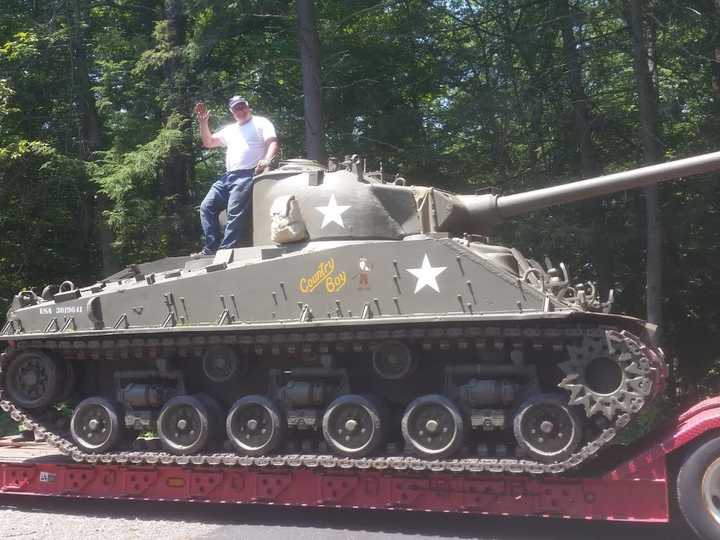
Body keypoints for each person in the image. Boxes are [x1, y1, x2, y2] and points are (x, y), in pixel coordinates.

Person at [193, 96, 279, 256]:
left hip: (248, 173)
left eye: (242, 107)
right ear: (232, 112)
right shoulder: (230, 129)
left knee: (234, 211)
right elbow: (209, 142)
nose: (240, 111)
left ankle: (226, 250)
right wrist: (203, 123)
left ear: (248, 107)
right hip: (228, 176)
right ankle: (211, 247)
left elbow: (272, 142)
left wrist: (267, 160)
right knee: (206, 207)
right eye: (236, 109)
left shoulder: (261, 123)